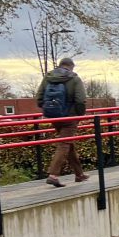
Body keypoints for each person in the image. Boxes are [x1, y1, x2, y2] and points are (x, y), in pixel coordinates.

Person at [35, 57, 88, 187]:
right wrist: (78, 114)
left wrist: (49, 109)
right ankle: (53, 175)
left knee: (67, 143)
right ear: (71, 66)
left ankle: (79, 174)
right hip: (70, 117)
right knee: (64, 143)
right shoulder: (74, 78)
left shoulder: (48, 77)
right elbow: (80, 99)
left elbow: (39, 97)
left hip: (54, 116)